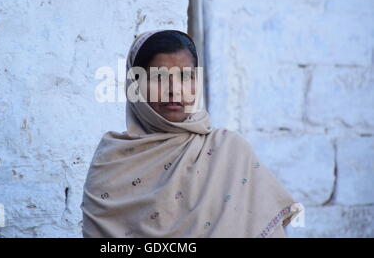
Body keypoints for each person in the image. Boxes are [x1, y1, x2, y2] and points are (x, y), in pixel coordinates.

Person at [81, 29, 301, 237]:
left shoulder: (229, 151)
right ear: (135, 84)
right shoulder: (111, 164)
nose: (174, 90)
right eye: (158, 77)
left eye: (186, 77)